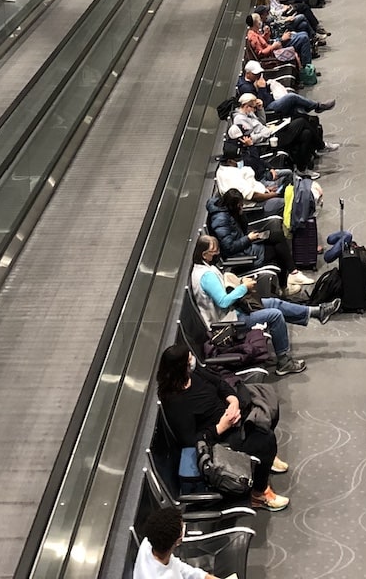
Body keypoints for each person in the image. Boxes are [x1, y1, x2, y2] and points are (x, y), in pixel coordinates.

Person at [156, 344, 289, 512]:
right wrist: (222, 426)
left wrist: (232, 401)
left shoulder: (194, 373)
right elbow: (190, 440)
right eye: (189, 359)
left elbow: (219, 383)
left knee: (268, 401)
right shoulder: (175, 402)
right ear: (180, 366)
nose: (193, 361)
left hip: (231, 414)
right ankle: (259, 493)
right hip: (219, 437)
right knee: (266, 440)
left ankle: (265, 458)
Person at [190, 235, 337, 376]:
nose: (218, 254)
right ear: (204, 254)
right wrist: (243, 288)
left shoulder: (206, 268)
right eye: (214, 252)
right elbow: (223, 302)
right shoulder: (206, 276)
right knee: (275, 315)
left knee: (273, 303)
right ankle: (284, 362)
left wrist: (240, 284)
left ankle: (318, 311)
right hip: (228, 323)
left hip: (234, 310)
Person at [133, 505, 225, 579]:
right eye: (182, 528)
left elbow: (178, 567)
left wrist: (206, 577)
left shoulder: (148, 543)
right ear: (177, 541)